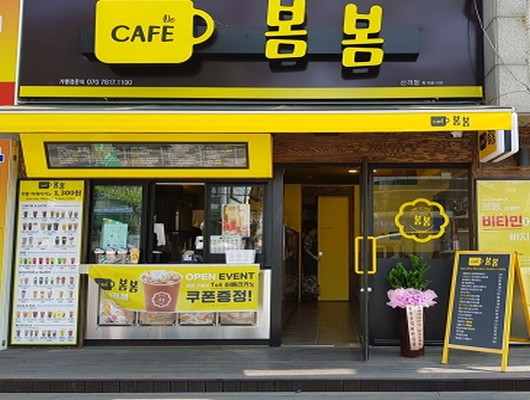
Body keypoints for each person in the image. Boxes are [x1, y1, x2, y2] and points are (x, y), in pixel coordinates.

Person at [302, 222, 320, 301]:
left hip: (312, 260)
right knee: (309, 276)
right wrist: (314, 256)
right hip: (309, 260)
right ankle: (309, 294)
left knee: (312, 276)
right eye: (315, 230)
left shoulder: (313, 238)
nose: (315, 232)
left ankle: (312, 293)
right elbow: (306, 249)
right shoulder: (308, 238)